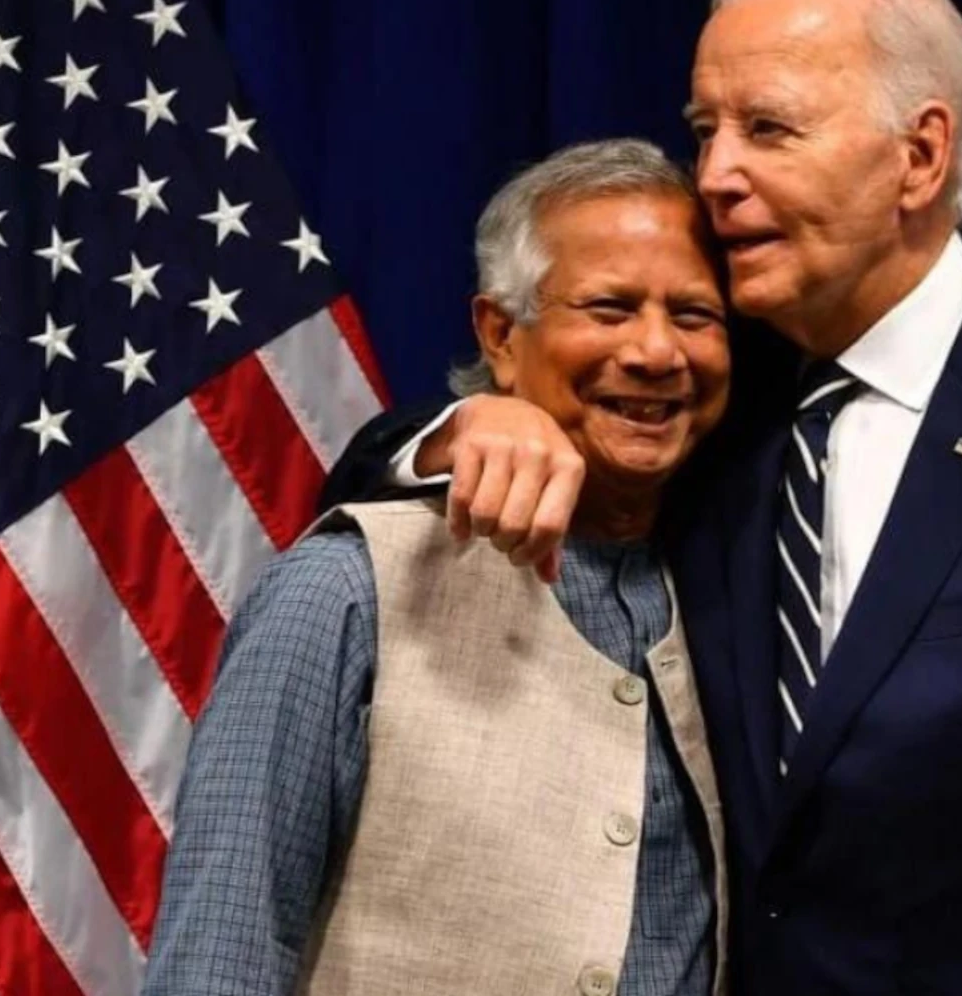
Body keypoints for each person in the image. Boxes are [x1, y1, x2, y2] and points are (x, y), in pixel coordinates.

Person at [323, 0, 962, 996]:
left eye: (767, 129)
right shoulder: (709, 396)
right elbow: (361, 485)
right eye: (706, 131)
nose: (715, 176)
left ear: (920, 157)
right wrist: (470, 426)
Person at [143, 139, 735, 996]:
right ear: (500, 335)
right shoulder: (345, 589)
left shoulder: (737, 588)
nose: (655, 350)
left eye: (694, 315)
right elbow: (220, 955)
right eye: (609, 308)